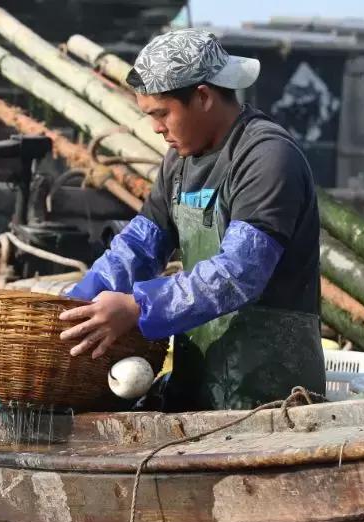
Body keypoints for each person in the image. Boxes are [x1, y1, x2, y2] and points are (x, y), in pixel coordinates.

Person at [60, 29, 325, 411]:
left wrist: (137, 307)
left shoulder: (266, 157)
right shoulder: (179, 162)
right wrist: (74, 306)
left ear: (202, 96)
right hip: (200, 382)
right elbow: (138, 247)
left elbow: (239, 273)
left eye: (161, 113)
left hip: (271, 390)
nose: (155, 128)